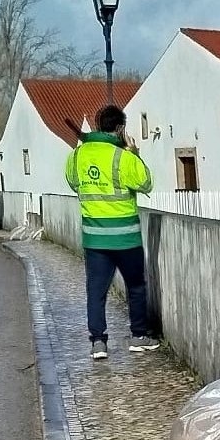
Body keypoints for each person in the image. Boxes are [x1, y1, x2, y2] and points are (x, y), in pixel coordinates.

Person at [65, 105, 159, 359]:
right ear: (120, 128)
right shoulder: (123, 157)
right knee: (136, 286)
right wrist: (135, 153)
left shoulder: (77, 155)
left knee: (96, 291)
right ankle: (138, 336)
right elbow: (146, 182)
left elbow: (73, 182)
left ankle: (98, 342)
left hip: (94, 237)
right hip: (126, 237)